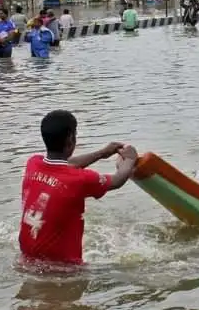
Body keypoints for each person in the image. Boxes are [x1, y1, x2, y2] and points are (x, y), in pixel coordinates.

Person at [19, 110, 138, 265]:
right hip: (65, 270)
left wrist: (102, 153)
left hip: (26, 260)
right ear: (71, 139)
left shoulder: (33, 163)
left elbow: (67, 165)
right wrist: (130, 159)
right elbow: (117, 180)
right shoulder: (80, 180)